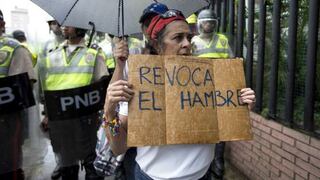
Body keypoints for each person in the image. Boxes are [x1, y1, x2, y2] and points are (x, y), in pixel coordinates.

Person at [104, 9, 256, 180]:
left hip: (202, 175)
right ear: (157, 44)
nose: (187, 44)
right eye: (178, 38)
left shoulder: (209, 77)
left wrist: (239, 105)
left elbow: (224, 123)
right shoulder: (141, 81)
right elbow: (119, 148)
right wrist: (109, 113)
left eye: (189, 38)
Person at [39, 26, 108, 180]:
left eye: (69, 24)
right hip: (62, 122)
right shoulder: (51, 56)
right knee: (68, 169)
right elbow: (46, 91)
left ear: (80, 28)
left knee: (92, 168)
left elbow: (102, 89)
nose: (64, 26)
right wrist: (47, 115)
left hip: (88, 121)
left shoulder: (94, 55)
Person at [192, 9, 235, 179]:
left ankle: (217, 160)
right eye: (205, 21)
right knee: (203, 122)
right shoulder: (194, 41)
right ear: (199, 24)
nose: (208, 24)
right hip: (199, 90)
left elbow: (231, 63)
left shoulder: (223, 40)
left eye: (211, 21)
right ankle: (204, 159)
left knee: (220, 124)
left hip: (220, 87)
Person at [0, 9, 36, 180]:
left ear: (2, 24)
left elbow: (24, 87)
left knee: (9, 167)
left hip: (6, 121)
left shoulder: (15, 49)